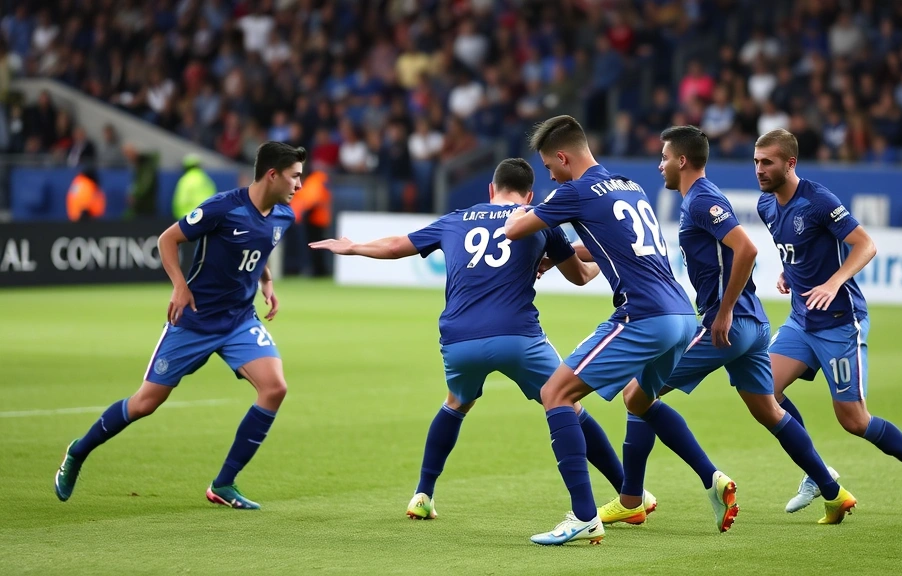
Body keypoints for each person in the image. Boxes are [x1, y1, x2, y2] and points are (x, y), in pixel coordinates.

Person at [309, 158, 643, 521]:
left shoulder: (456, 219)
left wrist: (354, 247)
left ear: (491, 189)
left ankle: (422, 494)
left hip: (459, 340)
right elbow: (579, 276)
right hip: (518, 338)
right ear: (529, 195)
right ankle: (629, 494)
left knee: (455, 403)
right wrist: (605, 259)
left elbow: (394, 247)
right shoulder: (538, 219)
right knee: (567, 402)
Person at [594, 126, 854, 527]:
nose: (660, 165)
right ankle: (833, 493)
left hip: (727, 325)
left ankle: (644, 495)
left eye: (664, 157)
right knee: (768, 410)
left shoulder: (702, 199)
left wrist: (724, 310)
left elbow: (746, 249)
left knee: (636, 393)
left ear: (682, 161)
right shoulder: (699, 199)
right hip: (752, 324)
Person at [504, 115, 733, 546]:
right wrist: (569, 253)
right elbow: (612, 241)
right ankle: (711, 477)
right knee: (639, 399)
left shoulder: (573, 192)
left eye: (549, 166)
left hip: (643, 315)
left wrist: (525, 212)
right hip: (681, 315)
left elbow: (515, 230)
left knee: (555, 393)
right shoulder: (629, 186)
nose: (549, 175)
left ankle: (584, 516)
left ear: (562, 157)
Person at [54, 142, 306, 510]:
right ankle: (78, 451)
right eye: (295, 176)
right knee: (145, 403)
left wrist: (266, 282)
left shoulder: (284, 215)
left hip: (239, 321)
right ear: (272, 175)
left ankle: (223, 484)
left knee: (275, 388)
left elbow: (260, 246)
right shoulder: (224, 207)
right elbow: (167, 239)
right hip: (194, 320)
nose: (300, 184)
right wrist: (179, 285)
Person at [753, 129, 902, 518]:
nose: (760, 170)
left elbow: (866, 244)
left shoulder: (818, 200)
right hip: (801, 319)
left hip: (839, 323)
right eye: (756, 162)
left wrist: (833, 282)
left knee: (854, 420)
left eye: (768, 162)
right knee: (764, 391)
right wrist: (788, 271)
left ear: (790, 163)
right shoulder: (766, 205)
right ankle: (817, 472)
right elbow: (796, 249)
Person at [172, 153, 218, 220]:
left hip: (190, 217)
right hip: (206, 216)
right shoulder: (207, 179)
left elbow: (181, 200)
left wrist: (181, 218)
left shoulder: (186, 180)